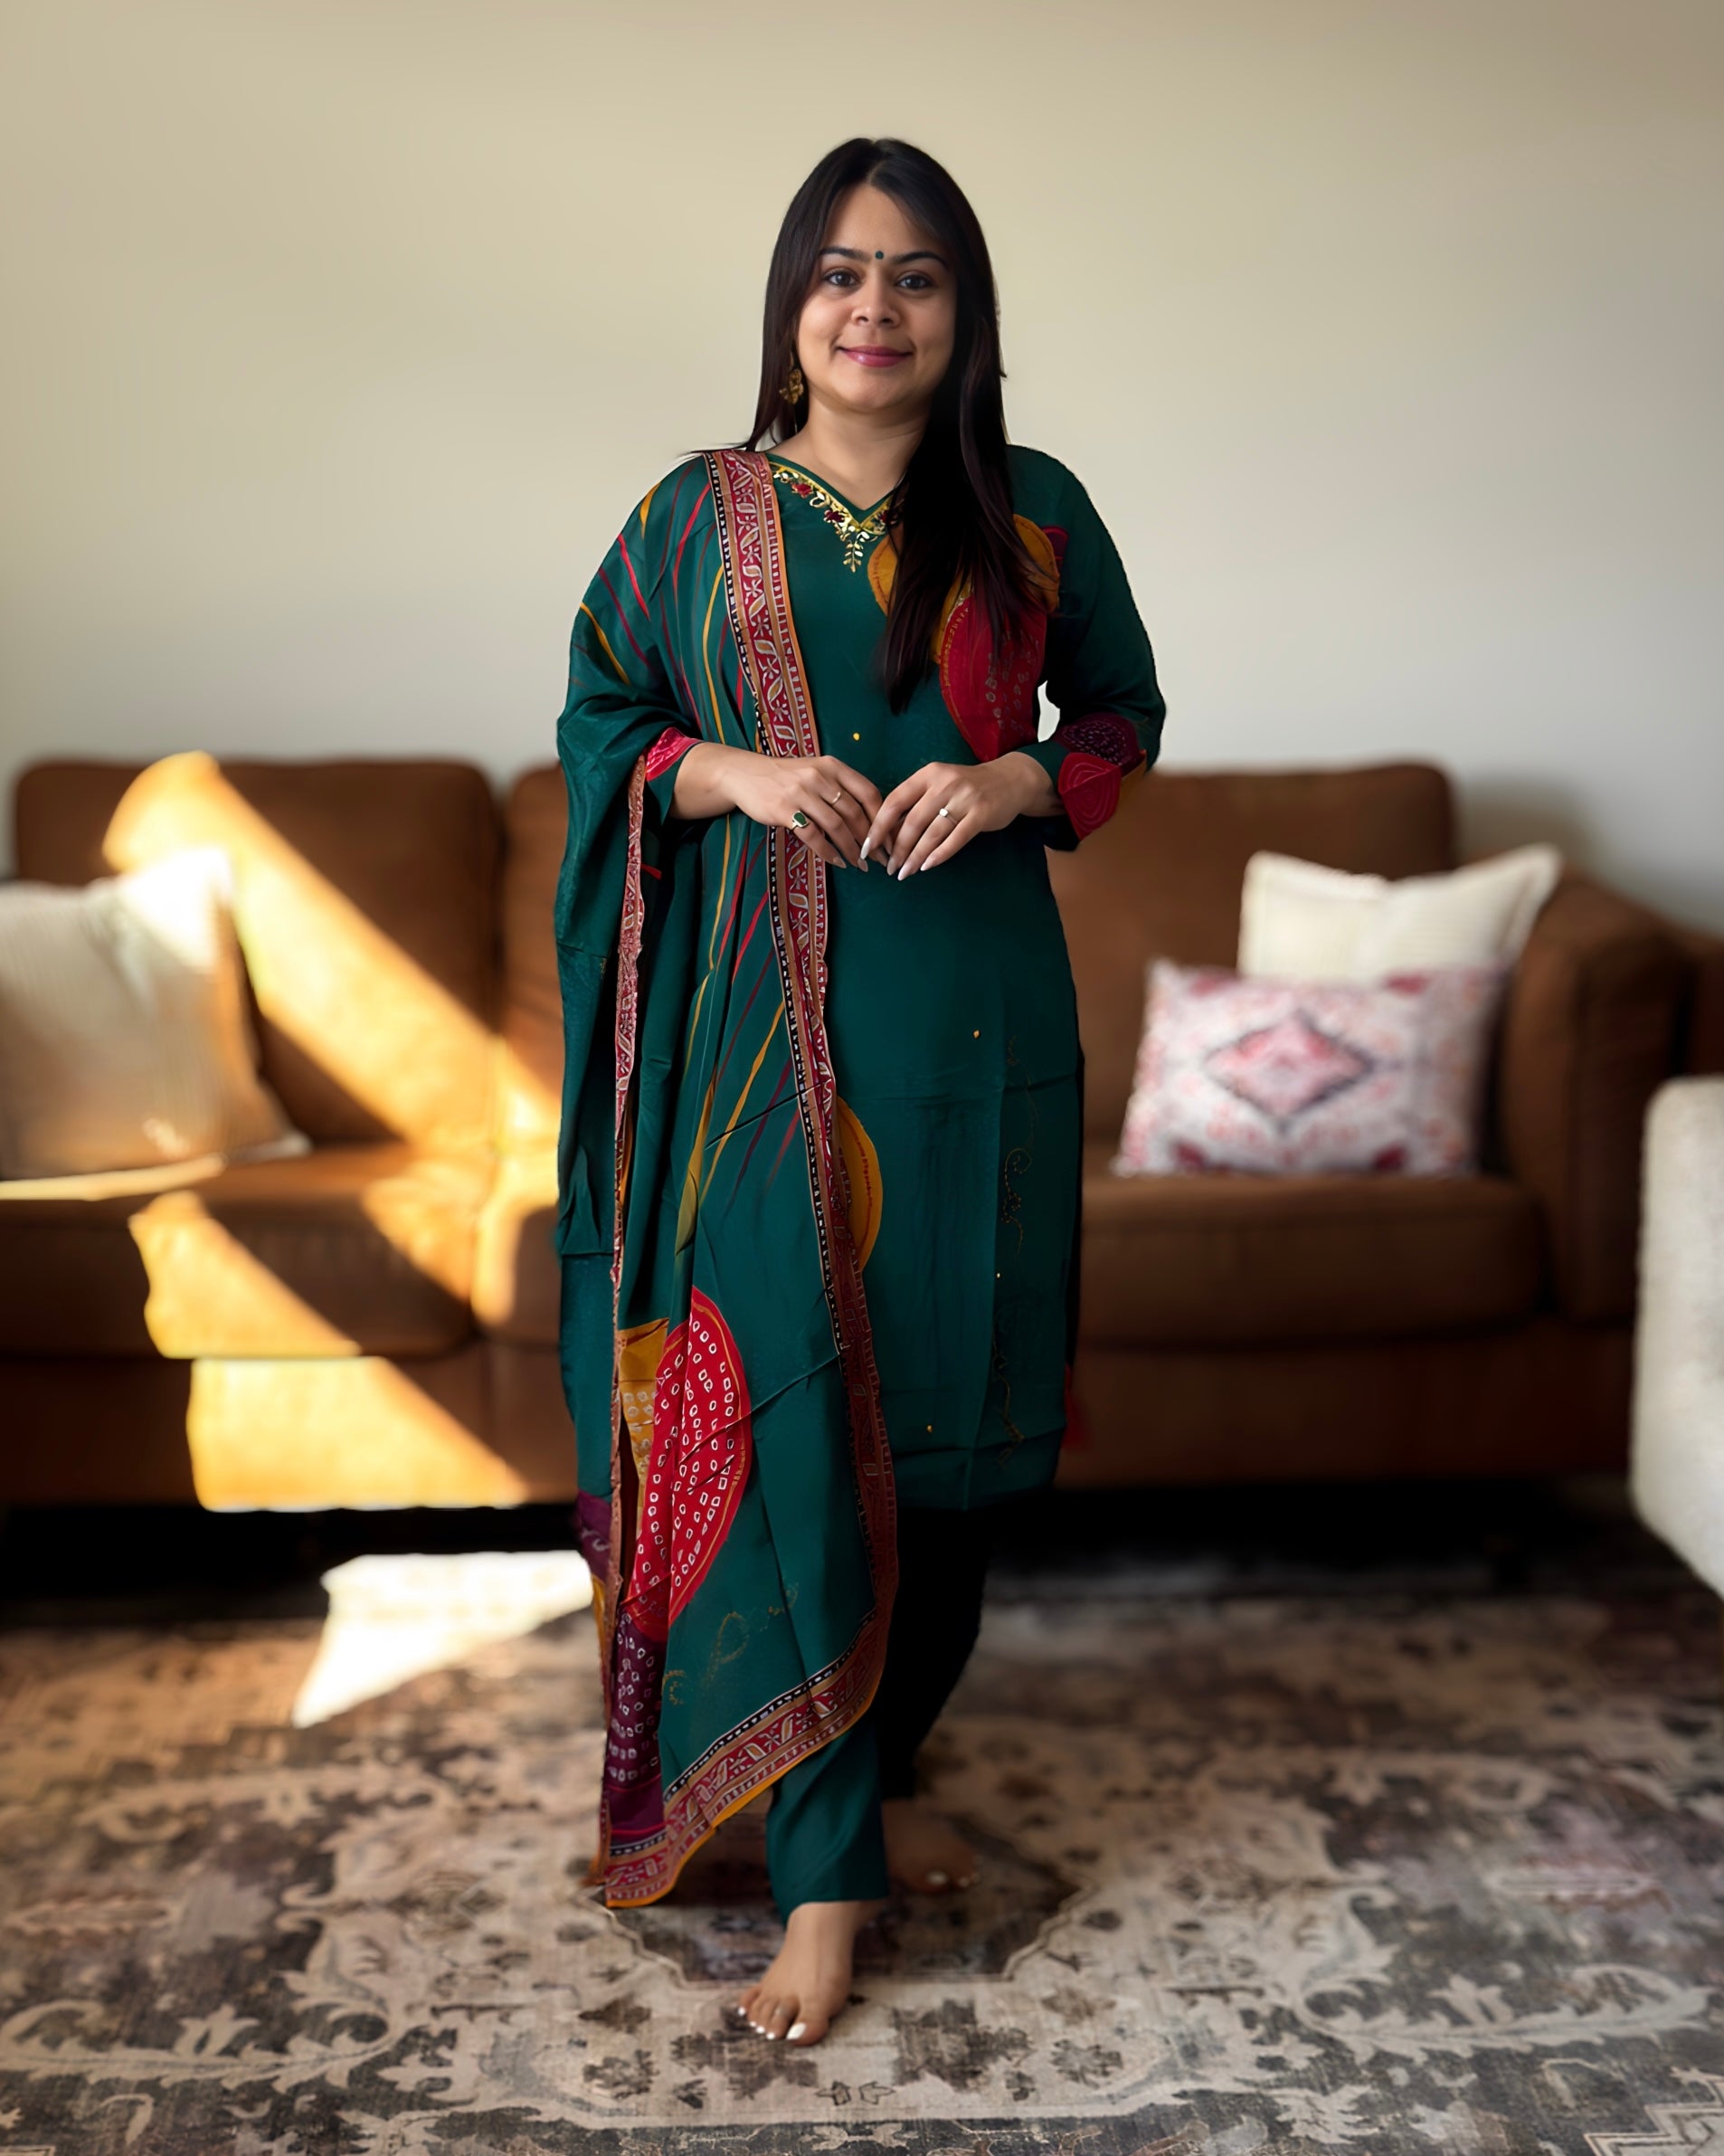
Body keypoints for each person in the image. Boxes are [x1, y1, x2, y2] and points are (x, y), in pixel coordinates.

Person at [554, 136, 1164, 2049]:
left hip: (978, 1031)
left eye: (913, 275)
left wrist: (1008, 779)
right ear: (790, 303)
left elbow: (1123, 719)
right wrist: (732, 774)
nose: (872, 307)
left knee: (949, 1440)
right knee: (795, 1415)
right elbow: (600, 719)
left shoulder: (1034, 512)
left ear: (961, 311)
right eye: (838, 270)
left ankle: (872, 1782)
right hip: (759, 1048)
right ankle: (822, 1880)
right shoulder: (692, 515)